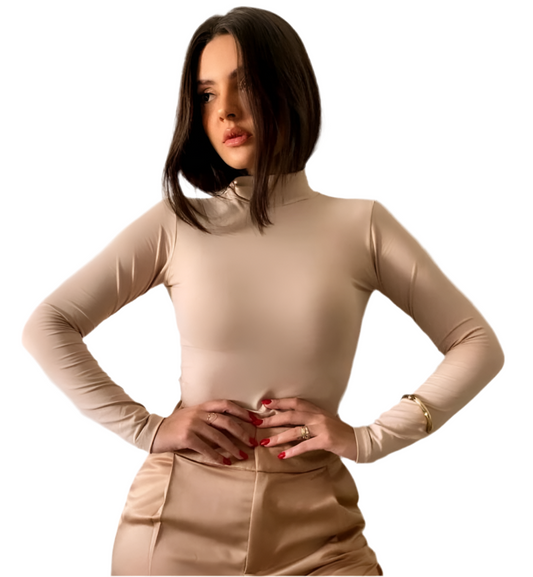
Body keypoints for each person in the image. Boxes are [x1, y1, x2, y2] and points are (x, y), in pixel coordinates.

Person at [22, 6, 504, 576]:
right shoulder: (177, 224)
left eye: (244, 84)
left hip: (320, 531)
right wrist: (147, 429)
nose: (225, 109)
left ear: (289, 88)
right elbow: (48, 324)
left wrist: (372, 439)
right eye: (206, 94)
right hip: (175, 527)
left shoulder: (362, 226)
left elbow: (476, 344)